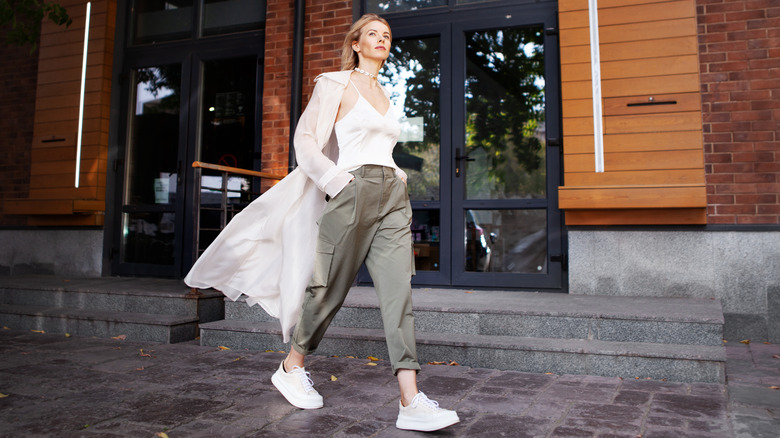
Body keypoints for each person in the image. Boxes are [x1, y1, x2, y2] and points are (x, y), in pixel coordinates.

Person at [185, 14, 459, 432]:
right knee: (328, 287)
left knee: (397, 294)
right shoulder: (335, 83)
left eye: (386, 35)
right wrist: (337, 181)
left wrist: (397, 173)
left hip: (391, 196)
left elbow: (380, 146)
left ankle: (410, 399)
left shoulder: (386, 93)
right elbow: (305, 139)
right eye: (373, 34)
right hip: (353, 190)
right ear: (355, 43)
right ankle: (292, 365)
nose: (381, 39)